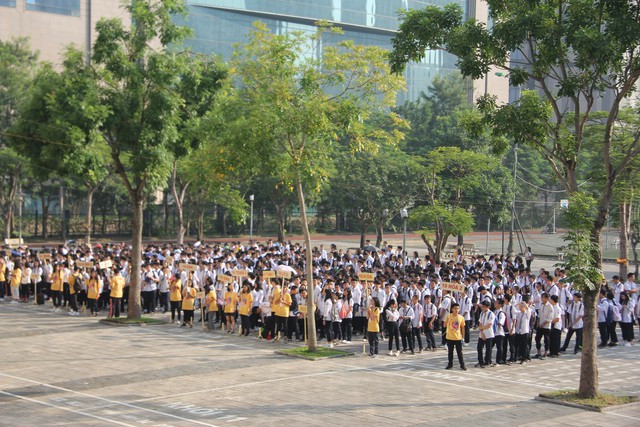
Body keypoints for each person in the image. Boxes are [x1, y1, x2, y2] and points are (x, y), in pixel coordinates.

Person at [444, 303, 466, 371]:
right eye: (455, 308)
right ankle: (450, 364)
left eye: (457, 308)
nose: (456, 310)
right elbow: (444, 325)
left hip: (458, 337)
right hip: (450, 337)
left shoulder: (461, 317)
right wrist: (446, 321)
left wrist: (463, 337)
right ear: (452, 309)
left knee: (459, 352)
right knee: (450, 352)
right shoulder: (448, 316)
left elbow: (462, 327)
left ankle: (462, 365)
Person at [476, 300, 495, 367]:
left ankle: (487, 361)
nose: (482, 308)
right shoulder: (482, 313)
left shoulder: (491, 314)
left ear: (488, 307)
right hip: (482, 334)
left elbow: (489, 325)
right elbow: (480, 322)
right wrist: (481, 332)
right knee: (479, 348)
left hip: (489, 334)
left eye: (483, 307)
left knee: (488, 348)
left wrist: (481, 328)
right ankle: (480, 361)